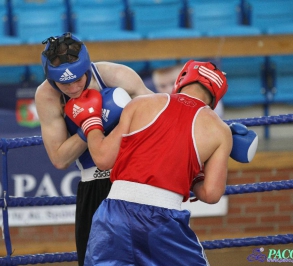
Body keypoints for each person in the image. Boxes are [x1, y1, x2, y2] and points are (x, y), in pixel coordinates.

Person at [65, 60, 258, 265]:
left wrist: (91, 122)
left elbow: (103, 159)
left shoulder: (141, 103)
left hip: (114, 215)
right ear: (215, 97)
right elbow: (211, 194)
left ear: (181, 80)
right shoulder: (219, 130)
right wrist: (194, 172)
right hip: (163, 222)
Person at [34, 32, 153, 266]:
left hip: (136, 179)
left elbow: (162, 119)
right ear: (50, 78)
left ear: (87, 65)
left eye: (78, 78)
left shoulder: (117, 76)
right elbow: (59, 159)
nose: (74, 87)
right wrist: (90, 125)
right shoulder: (47, 97)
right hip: (94, 185)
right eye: (64, 83)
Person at [152, 63, 225, 119]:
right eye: (162, 86)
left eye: (173, 83)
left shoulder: (206, 98)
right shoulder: (157, 104)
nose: (168, 89)